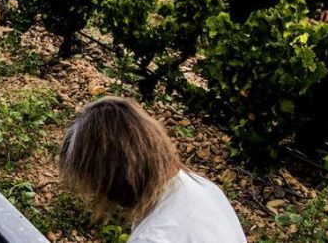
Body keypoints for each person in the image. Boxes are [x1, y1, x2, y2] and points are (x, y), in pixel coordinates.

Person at [58, 96, 246, 243]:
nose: (95, 194)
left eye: (94, 183)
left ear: (112, 177)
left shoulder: (155, 236)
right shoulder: (202, 188)